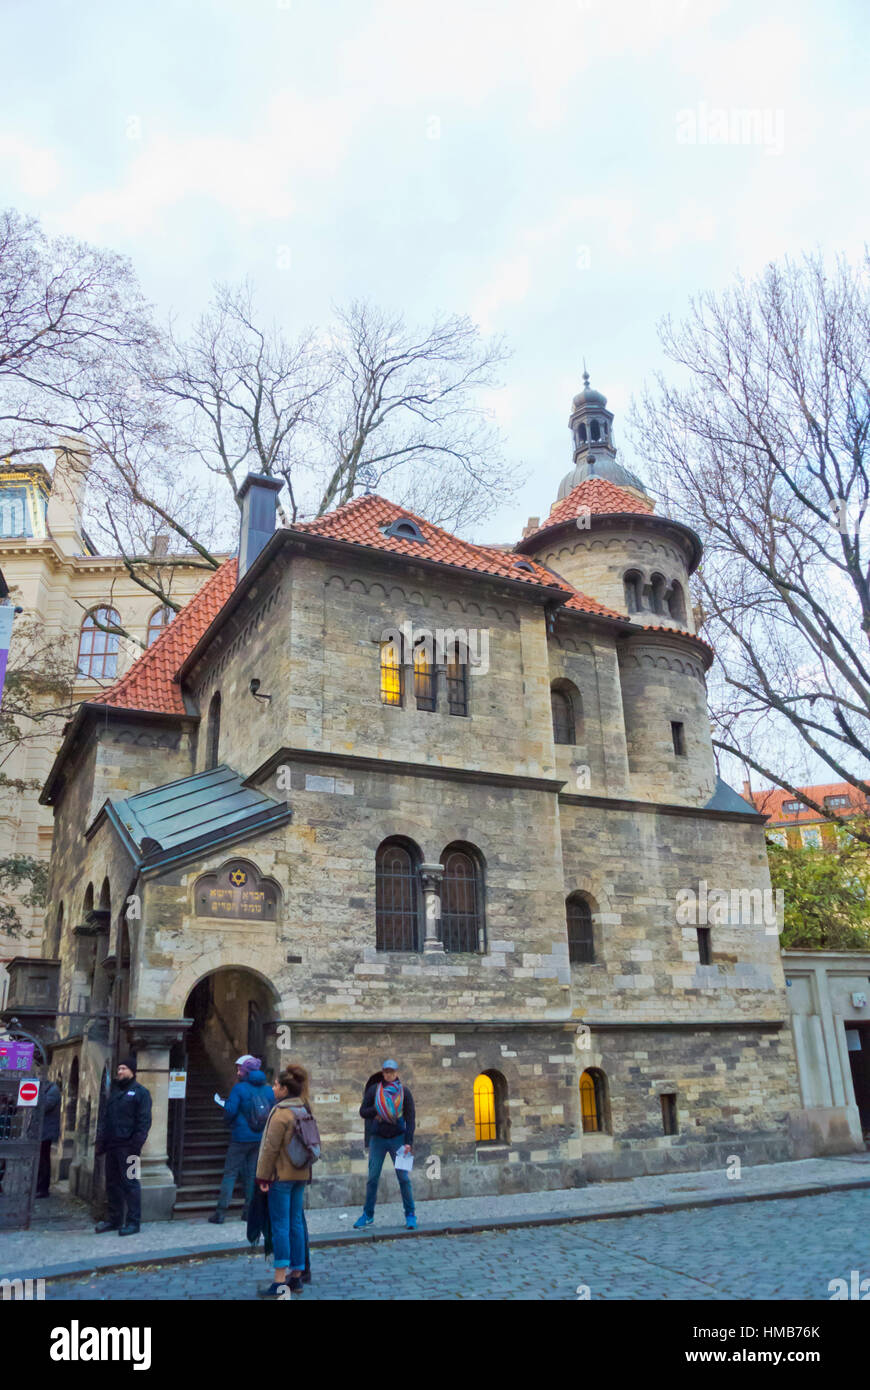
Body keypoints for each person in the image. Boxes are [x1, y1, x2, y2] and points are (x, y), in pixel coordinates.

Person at [255, 1064, 313, 1297]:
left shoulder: (280, 1113)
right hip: (300, 1174)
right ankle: (296, 1276)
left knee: (280, 1226)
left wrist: (262, 1176)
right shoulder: (304, 1109)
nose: (273, 1088)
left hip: (281, 1177)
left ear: (285, 1089)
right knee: (296, 1223)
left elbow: (269, 1149)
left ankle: (279, 1280)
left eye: (276, 1085)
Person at [208, 1054, 274, 1224]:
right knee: (252, 1174)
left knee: (230, 1173)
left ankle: (221, 1212)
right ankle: (248, 1211)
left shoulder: (239, 1089)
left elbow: (230, 1110)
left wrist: (229, 1123)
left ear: (246, 1072)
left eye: (240, 1069)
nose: (237, 1071)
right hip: (258, 1137)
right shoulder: (268, 1089)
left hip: (240, 1138)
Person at [353, 1058, 416, 1230]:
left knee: (403, 1178)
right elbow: (362, 1111)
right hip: (378, 1138)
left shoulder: (404, 1092)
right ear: (383, 1073)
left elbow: (410, 1119)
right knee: (372, 1178)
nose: (389, 1074)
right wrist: (377, 1111)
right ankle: (368, 1214)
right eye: (386, 1072)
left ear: (396, 1073)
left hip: (398, 1139)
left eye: (392, 1072)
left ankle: (410, 1214)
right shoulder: (374, 1090)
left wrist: (409, 1142)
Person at [94, 1058, 152, 1235]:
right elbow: (106, 1118)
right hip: (113, 1145)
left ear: (132, 1071)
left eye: (123, 1068)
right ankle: (115, 1219)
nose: (119, 1071)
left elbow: (144, 1122)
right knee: (112, 1184)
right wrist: (101, 1142)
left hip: (129, 1148)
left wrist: (136, 1145)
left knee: (131, 1184)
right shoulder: (115, 1092)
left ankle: (134, 1222)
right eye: (119, 1068)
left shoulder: (141, 1093)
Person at [36, 1077, 62, 1198]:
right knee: (39, 1161)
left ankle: (43, 1189)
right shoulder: (45, 1090)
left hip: (46, 1132)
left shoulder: (53, 1090)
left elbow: (45, 1106)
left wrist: (37, 1095)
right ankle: (37, 1186)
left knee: (44, 1161)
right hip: (40, 1131)